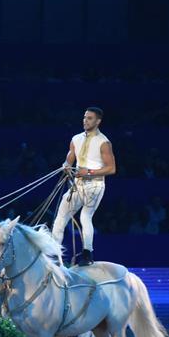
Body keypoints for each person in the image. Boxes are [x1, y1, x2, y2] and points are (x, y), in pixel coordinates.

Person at [51, 107, 116, 265]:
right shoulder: (76, 139)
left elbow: (111, 168)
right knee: (60, 219)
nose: (85, 120)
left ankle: (88, 254)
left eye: (90, 118)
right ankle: (53, 256)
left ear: (98, 121)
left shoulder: (104, 142)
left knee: (85, 217)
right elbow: (70, 159)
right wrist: (66, 165)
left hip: (95, 185)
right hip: (77, 185)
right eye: (85, 117)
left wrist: (89, 172)